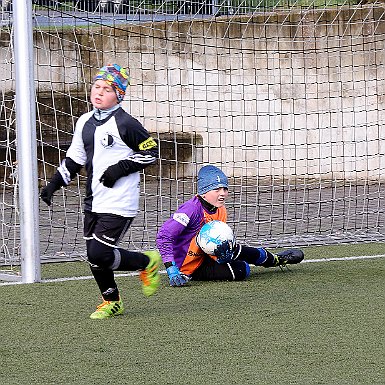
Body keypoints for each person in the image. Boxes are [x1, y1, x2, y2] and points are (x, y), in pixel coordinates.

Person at [40, 64, 161, 319]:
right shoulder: (84, 121)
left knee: (99, 252)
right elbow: (75, 158)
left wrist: (121, 167)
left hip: (119, 201)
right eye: (97, 87)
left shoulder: (126, 123)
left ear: (119, 95)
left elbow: (151, 152)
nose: (99, 92)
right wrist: (53, 184)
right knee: (95, 257)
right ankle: (112, 301)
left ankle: (146, 262)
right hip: (93, 200)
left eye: (107, 89)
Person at [156, 165, 304, 286]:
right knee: (242, 269)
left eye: (225, 189)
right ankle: (271, 260)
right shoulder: (190, 210)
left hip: (205, 256)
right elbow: (164, 236)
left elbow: (214, 243)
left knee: (236, 250)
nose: (223, 194)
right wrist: (172, 269)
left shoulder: (220, 209)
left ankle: (276, 260)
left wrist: (222, 258)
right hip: (188, 267)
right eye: (217, 189)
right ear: (203, 192)